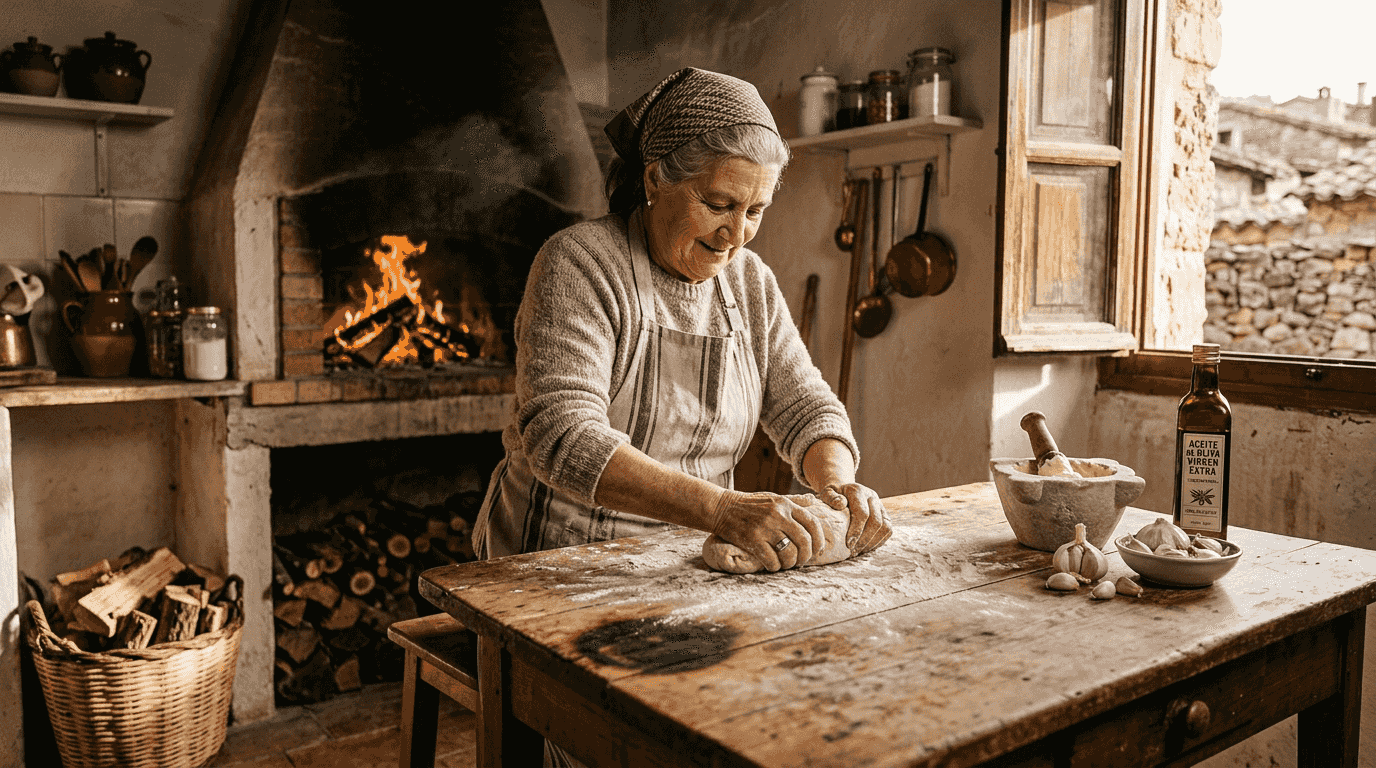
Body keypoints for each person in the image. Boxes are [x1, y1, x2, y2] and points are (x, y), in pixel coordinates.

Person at [473, 67, 891, 575]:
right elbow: (563, 436)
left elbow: (806, 406)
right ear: (655, 179)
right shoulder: (581, 263)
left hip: (692, 564)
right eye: (718, 204)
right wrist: (722, 508)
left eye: (755, 211)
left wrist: (837, 486)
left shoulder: (749, 281)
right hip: (558, 561)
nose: (735, 235)